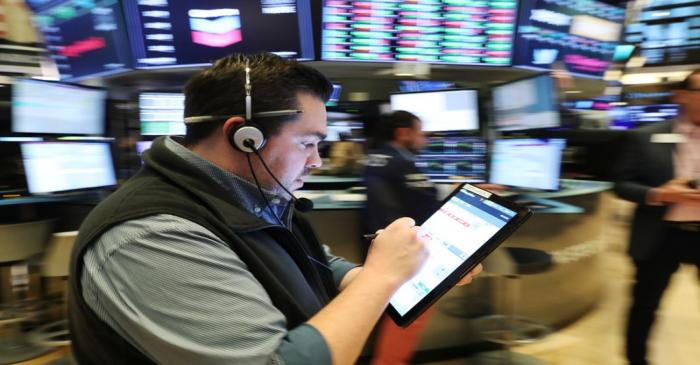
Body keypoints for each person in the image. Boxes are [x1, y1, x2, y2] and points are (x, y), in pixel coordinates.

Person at [67, 53, 481, 365]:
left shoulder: (245, 192)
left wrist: (396, 275)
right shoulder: (150, 236)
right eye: (307, 143)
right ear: (243, 136)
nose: (317, 161)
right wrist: (381, 276)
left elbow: (297, 257)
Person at [614, 69, 700, 365]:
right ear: (682, 95)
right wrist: (660, 194)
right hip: (660, 236)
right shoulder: (645, 137)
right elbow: (621, 185)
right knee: (645, 306)